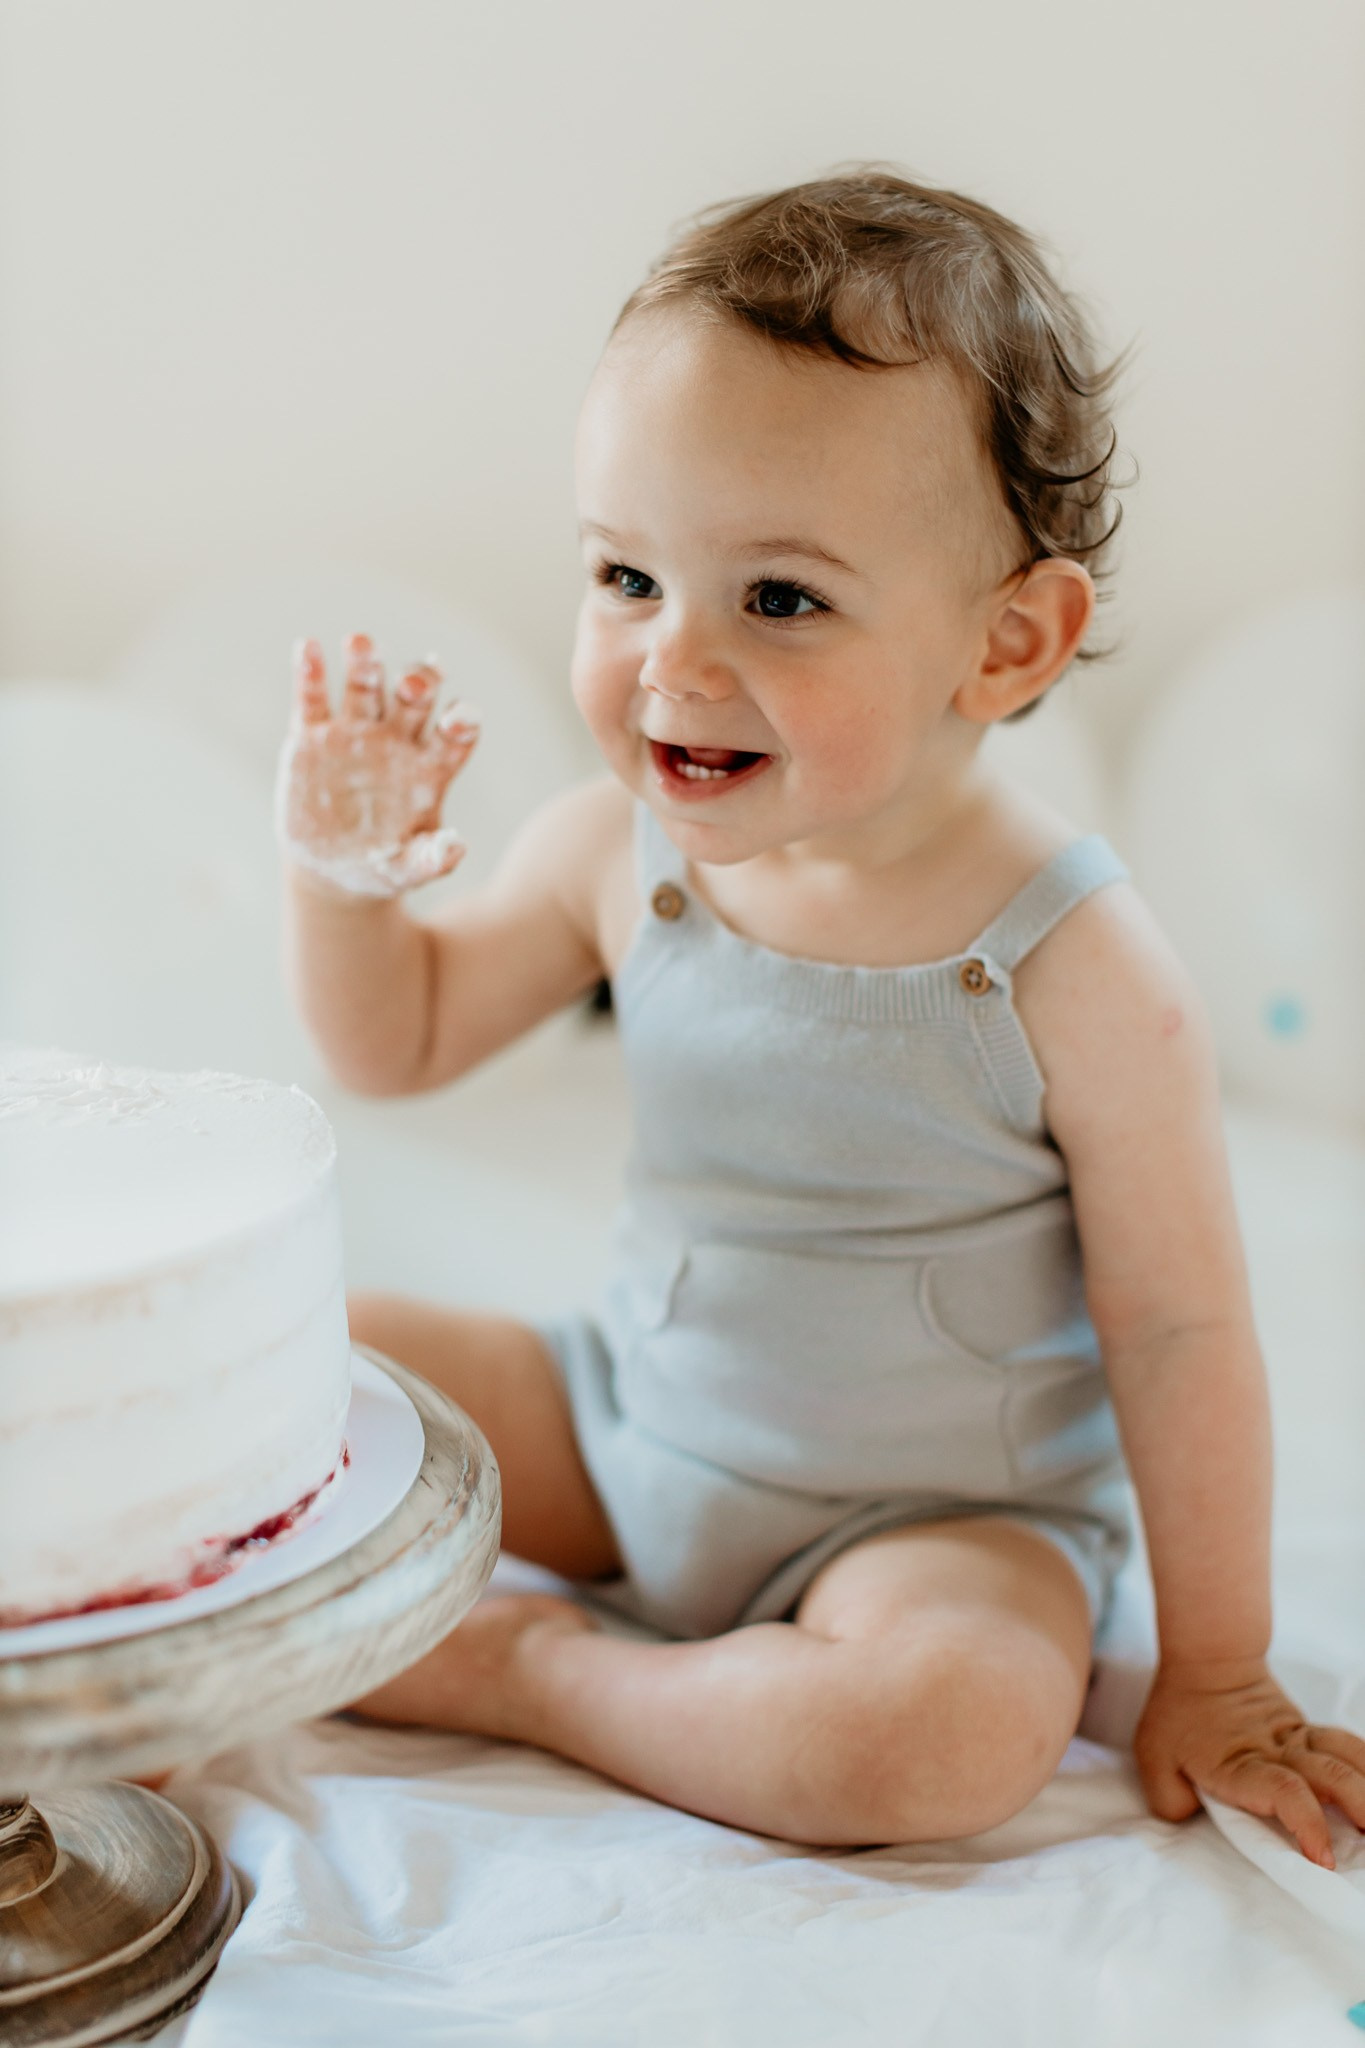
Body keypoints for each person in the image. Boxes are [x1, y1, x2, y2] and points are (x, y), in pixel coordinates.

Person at [277, 169, 1365, 1860]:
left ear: (1006, 644)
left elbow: (1178, 1334)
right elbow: (394, 1042)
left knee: (937, 1740)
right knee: (271, 1356)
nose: (671, 662)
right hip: (620, 1422)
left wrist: (1214, 1671)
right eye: (626, 575)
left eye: (777, 599)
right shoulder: (615, 854)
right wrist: (345, 881)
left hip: (933, 1527)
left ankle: (531, 1669)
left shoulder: (1072, 962)